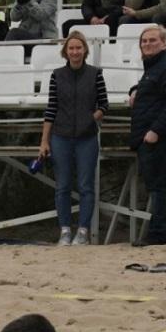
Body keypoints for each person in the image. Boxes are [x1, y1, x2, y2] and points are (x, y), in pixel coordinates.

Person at [39, 31, 109, 246]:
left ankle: (83, 231)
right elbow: (51, 109)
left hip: (87, 137)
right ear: (66, 51)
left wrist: (91, 118)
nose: (75, 51)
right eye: (71, 48)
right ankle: (65, 230)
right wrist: (44, 140)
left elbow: (104, 105)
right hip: (61, 136)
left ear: (85, 50)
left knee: (86, 185)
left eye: (78, 48)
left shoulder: (95, 73)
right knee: (63, 185)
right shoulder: (56, 75)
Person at [128, 25, 166, 245]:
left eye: (152, 40)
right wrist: (134, 90)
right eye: (144, 41)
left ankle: (160, 234)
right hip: (152, 136)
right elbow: (152, 88)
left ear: (163, 42)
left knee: (161, 187)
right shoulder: (156, 67)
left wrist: (155, 131)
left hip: (159, 138)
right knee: (160, 186)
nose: (147, 44)